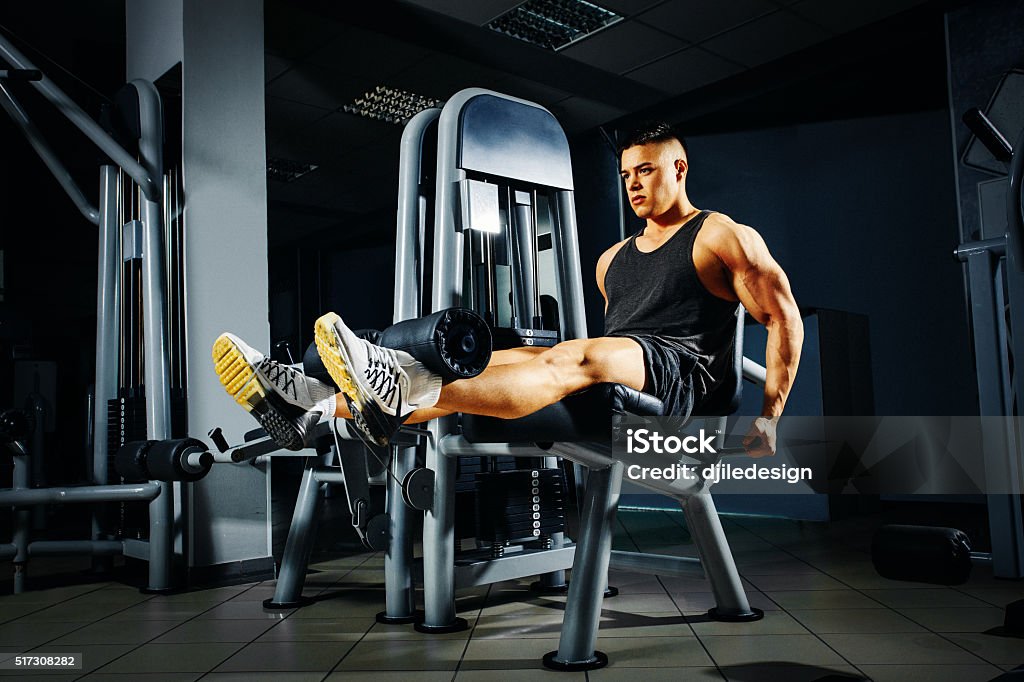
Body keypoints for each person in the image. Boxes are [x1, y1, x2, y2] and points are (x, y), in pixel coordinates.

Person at [212, 122, 803, 456]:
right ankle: (308, 402)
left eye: (645, 170)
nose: (633, 184)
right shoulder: (611, 261)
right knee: (494, 364)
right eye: (625, 175)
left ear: (679, 168)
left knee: (580, 353)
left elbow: (782, 319)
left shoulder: (718, 233)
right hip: (632, 368)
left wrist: (770, 417)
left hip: (688, 393)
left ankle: (385, 386)